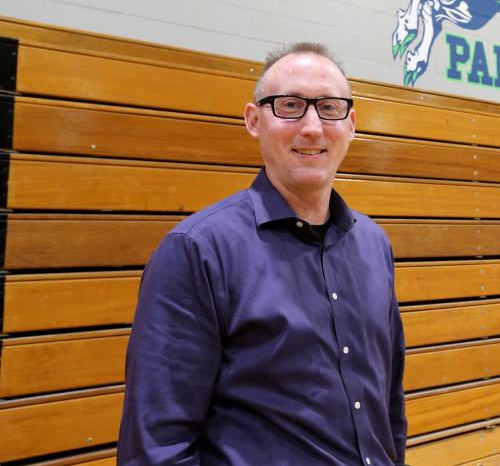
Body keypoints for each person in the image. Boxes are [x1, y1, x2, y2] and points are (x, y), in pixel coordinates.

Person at [118, 43, 407, 466]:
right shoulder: (198, 250)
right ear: (254, 121)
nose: (312, 127)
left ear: (351, 124)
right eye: (289, 106)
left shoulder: (374, 244)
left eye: (329, 108)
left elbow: (389, 404)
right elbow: (157, 447)